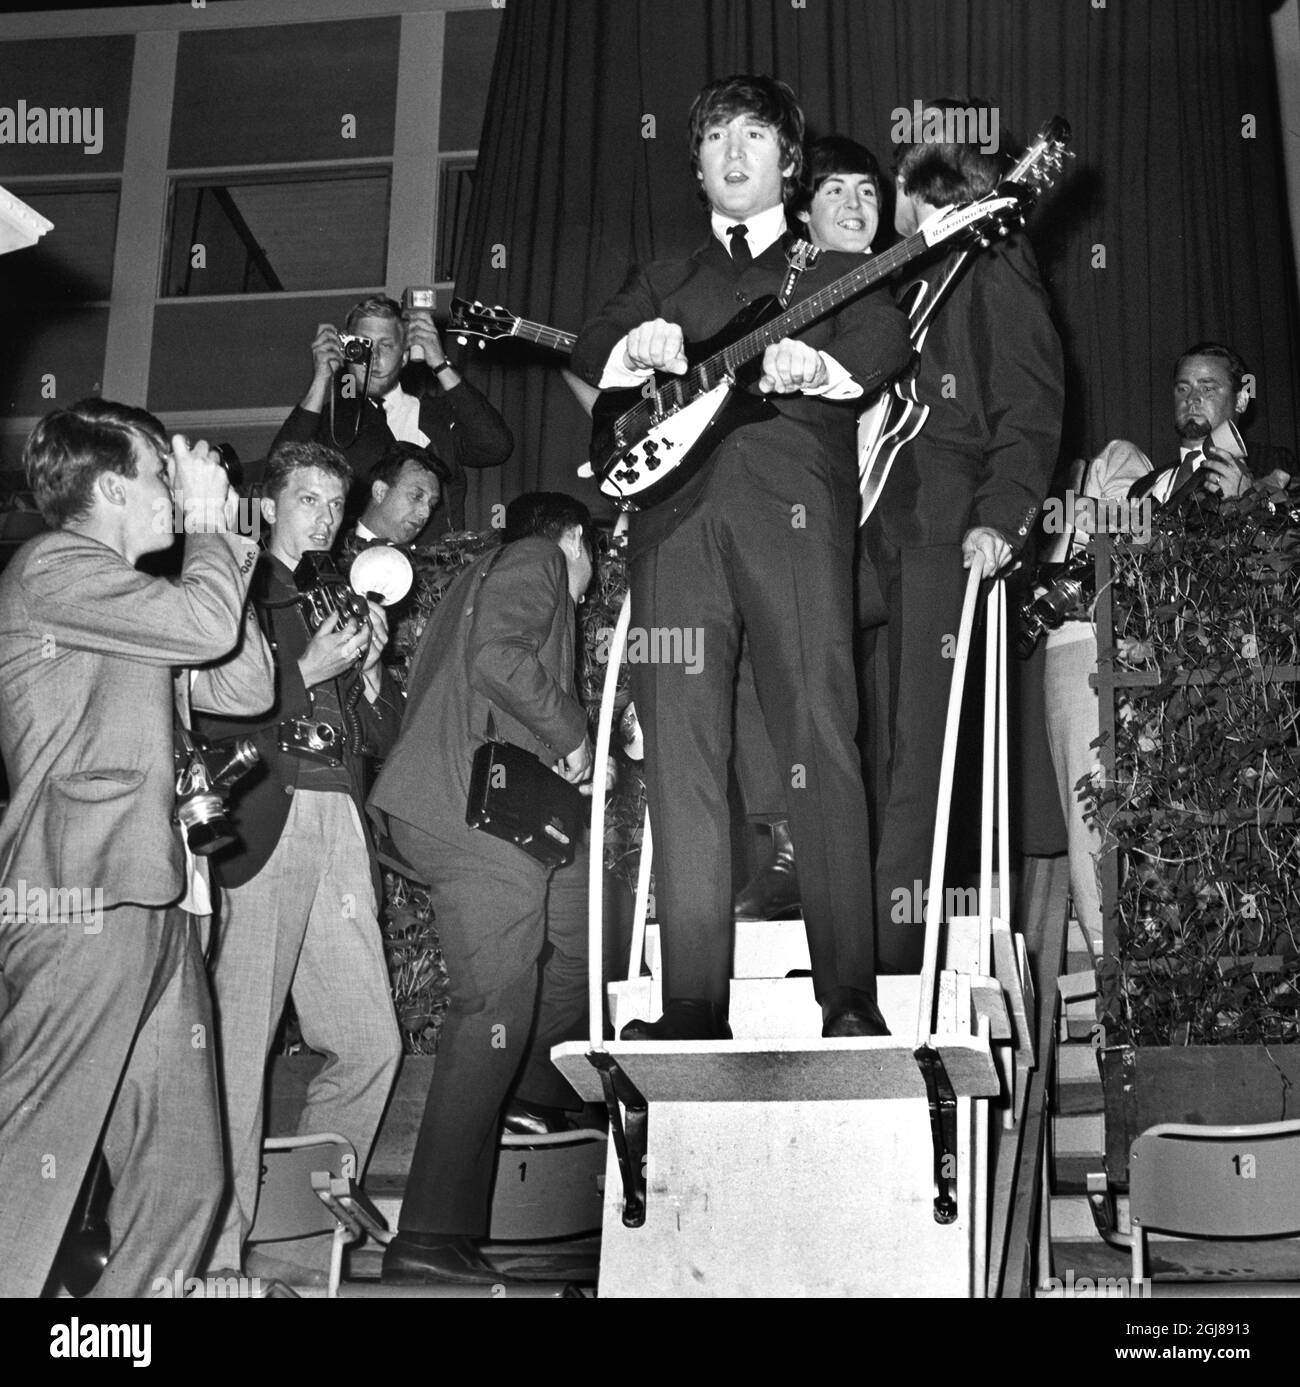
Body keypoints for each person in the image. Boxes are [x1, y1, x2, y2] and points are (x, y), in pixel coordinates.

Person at [571, 75, 912, 1041]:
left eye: (754, 136)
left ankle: (849, 993)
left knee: (819, 730)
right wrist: (629, 350)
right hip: (674, 530)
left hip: (792, 517)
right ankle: (689, 1002)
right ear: (697, 164)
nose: (732, 153)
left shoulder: (829, 263)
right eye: (715, 136)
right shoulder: (665, 274)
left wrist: (824, 368)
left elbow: (882, 335)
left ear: (788, 162)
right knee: (680, 751)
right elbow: (594, 342)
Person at [0, 399, 271, 1297]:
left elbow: (241, 676)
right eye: (162, 474)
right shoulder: (52, 569)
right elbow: (205, 626)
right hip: (79, 894)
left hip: (154, 894)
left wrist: (225, 539)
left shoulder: (147, 600)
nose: (173, 489)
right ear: (113, 485)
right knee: (34, 1150)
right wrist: (204, 538)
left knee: (185, 1171)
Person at [368, 491, 594, 1285]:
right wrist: (577, 735)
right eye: (591, 556)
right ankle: (429, 1234)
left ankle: (532, 1085)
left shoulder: (473, 577)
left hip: (463, 809)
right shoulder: (536, 559)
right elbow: (502, 660)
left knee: (581, 925)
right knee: (489, 1007)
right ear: (570, 539)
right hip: (471, 814)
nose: (591, 578)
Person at [863, 98, 1065, 973]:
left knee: (920, 753)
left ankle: (897, 954)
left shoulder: (992, 257)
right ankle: (844, 915)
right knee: (851, 727)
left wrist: (1000, 517)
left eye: (905, 169)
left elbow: (1031, 398)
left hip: (946, 521)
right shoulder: (897, 276)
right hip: (866, 522)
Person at [196, 440, 403, 1288]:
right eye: (306, 498)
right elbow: (206, 714)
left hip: (336, 818)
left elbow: (379, 738)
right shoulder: (233, 585)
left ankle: (299, 1241)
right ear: (268, 503)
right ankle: (212, 1257)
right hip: (263, 819)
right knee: (238, 1053)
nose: (321, 515)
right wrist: (305, 671)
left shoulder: (336, 590)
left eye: (332, 502)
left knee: (370, 1042)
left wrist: (376, 670)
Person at [1045, 341, 1293, 944]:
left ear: (1244, 393)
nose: (1193, 398)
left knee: (1247, 841)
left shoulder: (1277, 465)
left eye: (1209, 386)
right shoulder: (1144, 488)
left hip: (1244, 691)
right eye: (1183, 387)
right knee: (1155, 830)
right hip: (1156, 689)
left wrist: (1253, 502)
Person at [732, 133, 887, 922]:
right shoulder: (772, 293)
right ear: (799, 210)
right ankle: (790, 841)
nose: (857, 207)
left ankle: (834, 855)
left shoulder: (904, 282)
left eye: (868, 193)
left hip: (887, 541)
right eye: (836, 192)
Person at [270, 293, 513, 532]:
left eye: (386, 346)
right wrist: (322, 378)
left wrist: (440, 363)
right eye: (362, 346)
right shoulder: (332, 423)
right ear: (346, 352)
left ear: (405, 355)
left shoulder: (435, 414)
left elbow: (495, 446)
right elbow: (277, 473)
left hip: (438, 566)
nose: (374, 358)